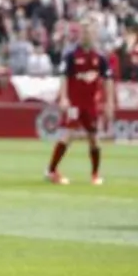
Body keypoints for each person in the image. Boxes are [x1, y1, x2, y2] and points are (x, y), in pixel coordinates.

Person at [46, 23, 115, 185]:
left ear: (95, 35)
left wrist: (109, 102)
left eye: (90, 32)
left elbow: (108, 80)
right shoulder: (71, 56)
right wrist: (63, 97)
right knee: (68, 134)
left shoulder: (100, 58)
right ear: (80, 34)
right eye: (84, 32)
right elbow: (63, 76)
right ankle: (52, 171)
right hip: (74, 104)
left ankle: (95, 174)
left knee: (93, 138)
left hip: (90, 105)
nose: (87, 35)